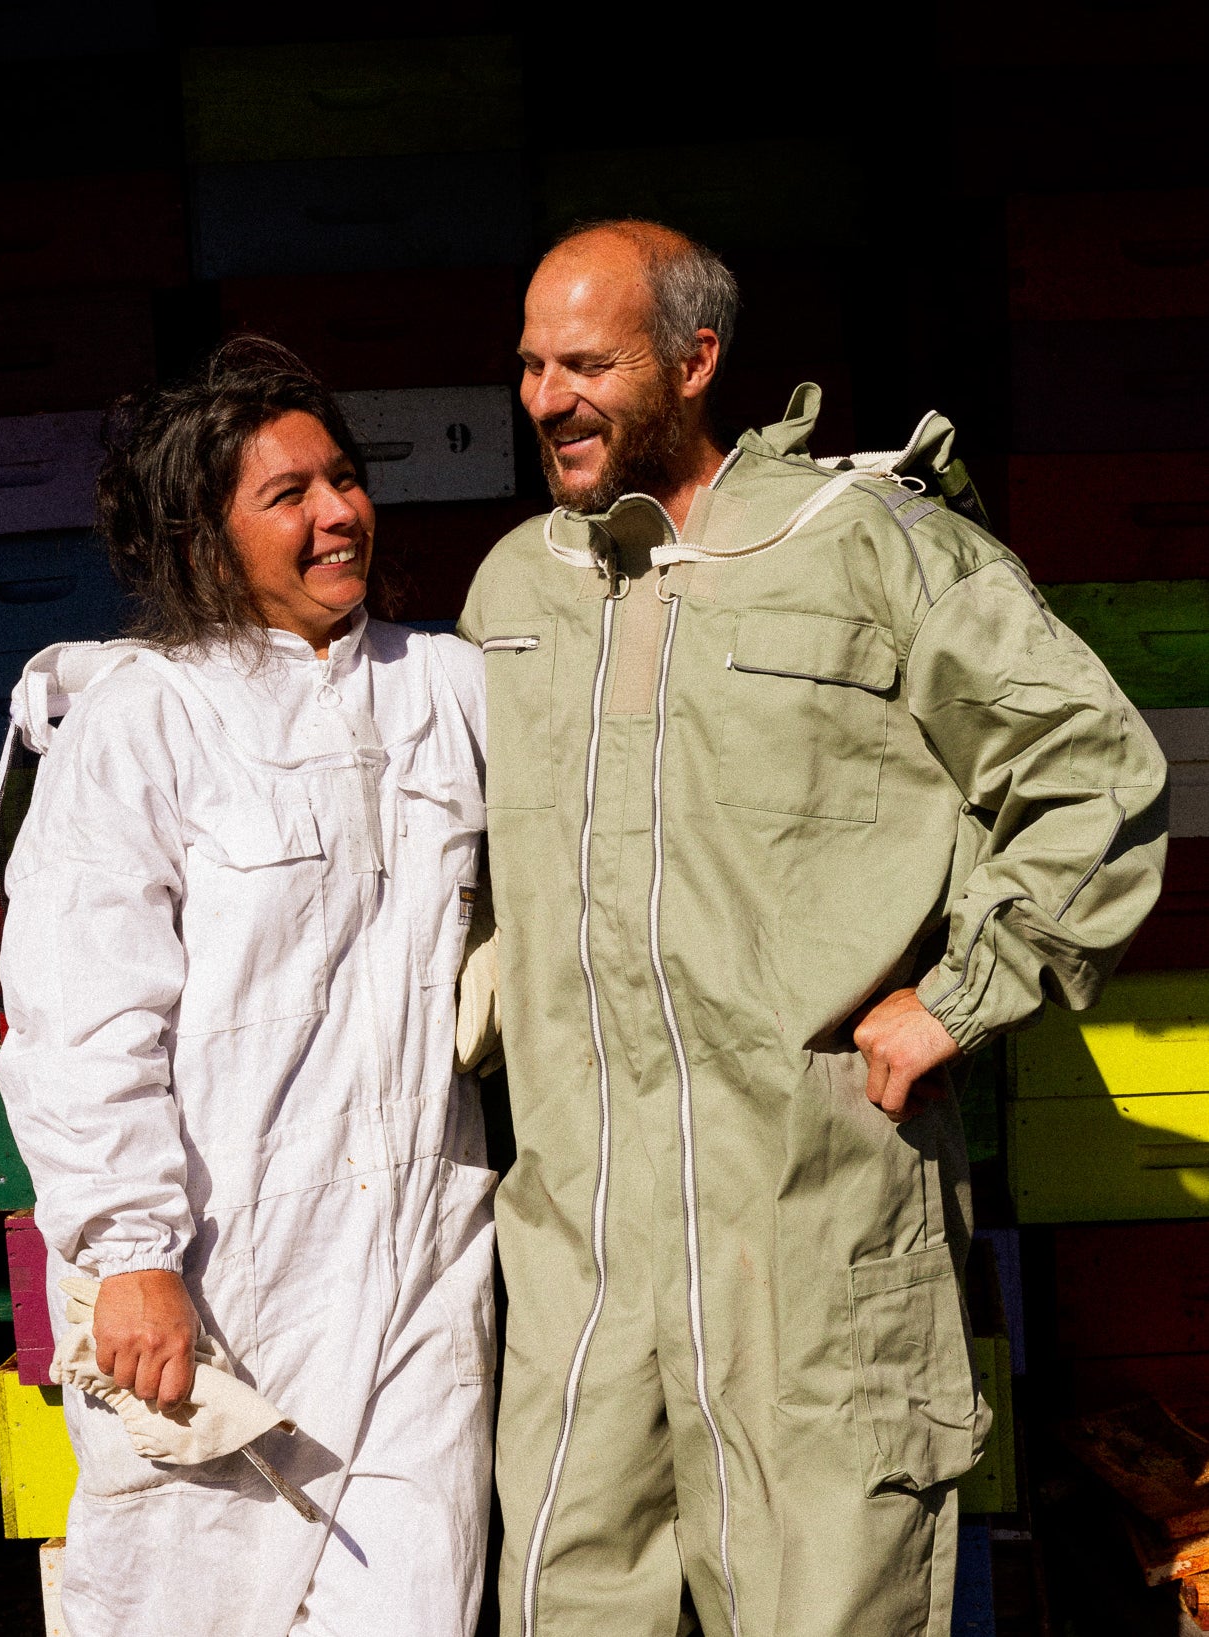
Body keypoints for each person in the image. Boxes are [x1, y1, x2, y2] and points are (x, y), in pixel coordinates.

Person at [457, 221, 1167, 1637]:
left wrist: (958, 996)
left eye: (587, 363)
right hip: (582, 1253)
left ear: (694, 360)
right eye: (531, 365)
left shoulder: (871, 549)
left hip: (810, 1237)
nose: (547, 398)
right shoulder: (515, 589)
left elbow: (1093, 775)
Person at [0, 338, 496, 1637]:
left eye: (344, 478)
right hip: (214, 1278)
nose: (338, 512)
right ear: (203, 540)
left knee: (415, 1605)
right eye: (289, 494)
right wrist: (129, 1253)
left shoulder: (447, 687)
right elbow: (80, 1016)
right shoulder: (145, 720)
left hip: (420, 1268)